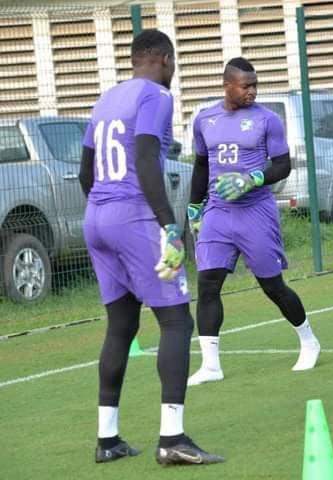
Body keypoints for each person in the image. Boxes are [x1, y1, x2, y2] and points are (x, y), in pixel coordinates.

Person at [79, 29, 224, 465]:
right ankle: (172, 438)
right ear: (162, 59)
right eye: (173, 63)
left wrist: (104, 212)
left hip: (97, 217)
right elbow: (145, 159)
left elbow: (86, 171)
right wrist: (168, 227)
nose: (173, 72)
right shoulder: (157, 97)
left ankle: (108, 440)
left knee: (121, 326)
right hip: (133, 216)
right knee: (177, 321)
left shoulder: (106, 98)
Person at [186, 57, 321, 386]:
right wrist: (193, 208)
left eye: (255, 85)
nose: (252, 91)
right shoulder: (205, 120)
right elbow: (202, 166)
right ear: (227, 86)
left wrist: (254, 177)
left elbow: (283, 165)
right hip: (218, 211)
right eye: (246, 86)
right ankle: (211, 365)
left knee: (272, 286)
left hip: (255, 211)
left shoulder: (268, 120)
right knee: (207, 284)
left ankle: (308, 340)